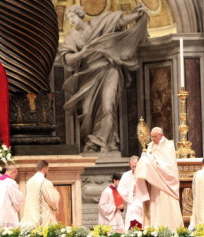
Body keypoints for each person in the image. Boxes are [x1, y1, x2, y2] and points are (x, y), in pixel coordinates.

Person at [60, 5, 148, 153]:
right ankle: (95, 143)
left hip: (109, 69)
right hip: (87, 74)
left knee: (108, 106)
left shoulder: (98, 22)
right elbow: (68, 58)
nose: (71, 20)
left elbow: (118, 21)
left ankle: (104, 142)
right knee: (87, 112)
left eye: (73, 17)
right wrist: (83, 53)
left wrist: (136, 15)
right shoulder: (71, 36)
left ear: (80, 15)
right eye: (69, 19)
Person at [135, 127, 183, 228]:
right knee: (155, 204)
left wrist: (151, 160)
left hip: (166, 182)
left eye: (155, 137)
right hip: (154, 181)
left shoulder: (168, 145)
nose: (153, 139)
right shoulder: (151, 145)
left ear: (161, 135)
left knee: (165, 203)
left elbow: (168, 165)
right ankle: (155, 226)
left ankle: (170, 226)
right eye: (151, 137)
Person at [20, 160, 60, 226]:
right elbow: (53, 200)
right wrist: (55, 206)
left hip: (30, 219)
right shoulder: (44, 182)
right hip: (43, 219)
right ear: (45, 169)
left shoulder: (29, 182)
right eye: (48, 169)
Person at [117, 156, 148, 231]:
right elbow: (120, 189)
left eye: (136, 166)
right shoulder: (126, 175)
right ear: (130, 166)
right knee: (133, 216)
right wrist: (131, 191)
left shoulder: (145, 174)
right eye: (132, 166)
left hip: (144, 202)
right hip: (133, 202)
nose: (134, 168)